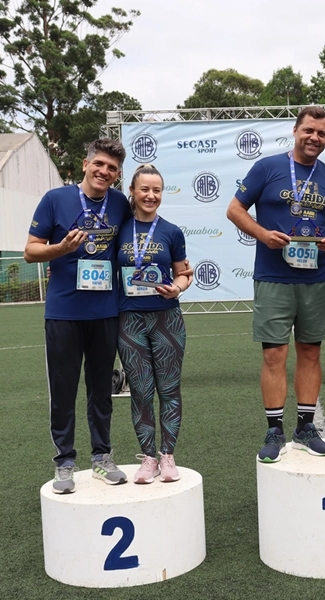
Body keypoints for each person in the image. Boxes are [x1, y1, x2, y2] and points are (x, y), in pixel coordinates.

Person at [226, 106, 325, 463]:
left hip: (316, 277)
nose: (314, 138)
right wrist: (263, 235)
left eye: (322, 134)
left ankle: (306, 427)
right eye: (309, 130)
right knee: (274, 354)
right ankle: (274, 430)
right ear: (295, 131)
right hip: (274, 277)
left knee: (311, 352)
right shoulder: (268, 167)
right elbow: (235, 209)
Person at [25, 138, 131, 494]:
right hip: (64, 313)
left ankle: (102, 457)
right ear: (86, 164)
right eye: (99, 164)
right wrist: (60, 249)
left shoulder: (119, 204)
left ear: (117, 175)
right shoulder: (55, 200)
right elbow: (30, 251)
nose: (104, 172)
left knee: (102, 390)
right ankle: (65, 462)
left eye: (112, 168)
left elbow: (131, 247)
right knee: (64, 391)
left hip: (105, 311)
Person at [116, 164, 193, 484]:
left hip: (166, 318)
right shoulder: (119, 229)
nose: (151, 195)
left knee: (169, 390)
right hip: (129, 320)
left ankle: (168, 455)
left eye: (157, 190)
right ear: (132, 192)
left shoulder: (171, 232)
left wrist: (177, 287)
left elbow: (184, 274)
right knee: (141, 392)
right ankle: (148, 457)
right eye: (144, 189)